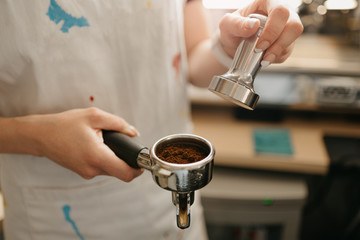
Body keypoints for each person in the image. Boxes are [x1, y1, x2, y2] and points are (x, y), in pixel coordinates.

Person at [0, 0, 303, 239]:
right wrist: (37, 136)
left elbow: (190, 59)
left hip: (165, 207)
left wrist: (228, 47)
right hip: (54, 214)